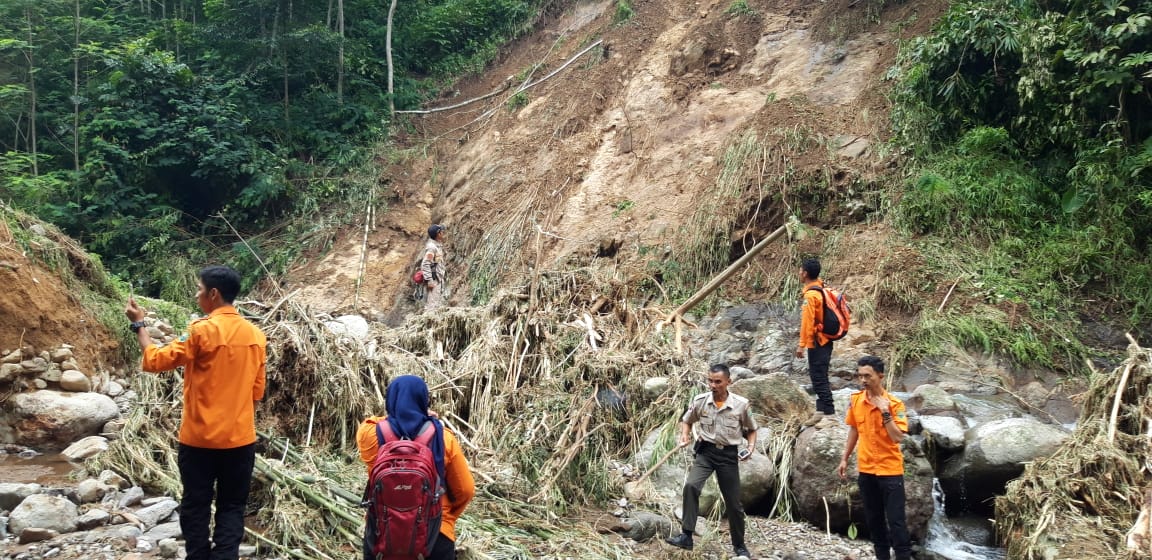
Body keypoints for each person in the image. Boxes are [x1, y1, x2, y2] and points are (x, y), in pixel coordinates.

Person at [124, 265, 267, 560]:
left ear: (213, 294)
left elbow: (155, 360)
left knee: (196, 504)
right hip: (240, 440)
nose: (196, 294)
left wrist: (140, 325)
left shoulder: (201, 331)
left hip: (199, 440)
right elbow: (257, 392)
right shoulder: (256, 336)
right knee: (232, 505)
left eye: (199, 289)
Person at [356, 375, 475, 560]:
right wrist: (447, 518)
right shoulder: (444, 438)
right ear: (423, 400)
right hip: (435, 534)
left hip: (382, 533)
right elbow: (466, 490)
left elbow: (375, 421)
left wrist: (397, 414)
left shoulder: (369, 434)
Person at [664, 364, 758, 558]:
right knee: (691, 486)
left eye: (718, 382)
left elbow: (752, 429)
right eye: (710, 381)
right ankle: (686, 536)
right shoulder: (700, 401)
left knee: (733, 503)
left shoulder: (741, 404)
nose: (713, 385)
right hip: (706, 453)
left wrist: (750, 448)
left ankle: (739, 545)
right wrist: (684, 435)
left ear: (728, 382)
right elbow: (687, 420)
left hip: (728, 456)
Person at [838, 356, 912, 560]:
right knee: (874, 521)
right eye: (860, 376)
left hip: (890, 472)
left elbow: (897, 437)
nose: (863, 380)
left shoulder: (895, 404)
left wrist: (885, 412)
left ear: (880, 376)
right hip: (866, 470)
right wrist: (844, 458)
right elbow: (854, 429)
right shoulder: (856, 401)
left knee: (897, 523)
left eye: (867, 376)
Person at [796, 257, 835, 426]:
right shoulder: (820, 287)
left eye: (800, 270)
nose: (799, 273)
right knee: (818, 374)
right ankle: (820, 410)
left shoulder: (811, 295)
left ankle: (830, 415)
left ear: (805, 273)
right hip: (825, 339)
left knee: (819, 377)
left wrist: (801, 345)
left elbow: (808, 322)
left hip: (818, 340)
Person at [422, 224, 448, 311]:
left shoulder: (437, 246)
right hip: (434, 280)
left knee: (437, 303)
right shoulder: (432, 248)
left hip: (438, 278)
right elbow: (425, 264)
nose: (443, 233)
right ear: (438, 234)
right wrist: (429, 281)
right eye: (441, 232)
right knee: (432, 305)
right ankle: (428, 322)